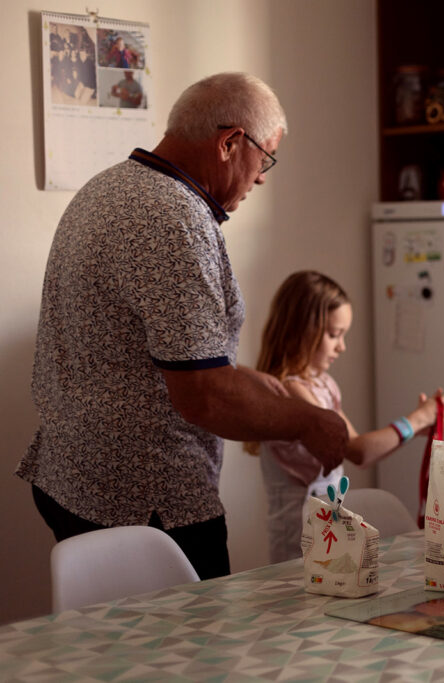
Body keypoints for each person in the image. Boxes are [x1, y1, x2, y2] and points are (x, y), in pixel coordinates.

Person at [17, 72, 350, 580]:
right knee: (197, 656)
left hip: (74, 477)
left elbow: (152, 352)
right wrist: (308, 422)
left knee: (112, 657)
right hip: (145, 502)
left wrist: (245, 380)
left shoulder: (107, 187)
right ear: (230, 142)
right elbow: (202, 396)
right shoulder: (174, 217)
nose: (262, 177)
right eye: (266, 158)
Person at [249, 270, 444, 562]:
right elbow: (357, 451)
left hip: (328, 529)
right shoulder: (291, 392)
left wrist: (413, 429)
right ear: (301, 330)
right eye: (334, 335)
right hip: (299, 540)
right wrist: (414, 420)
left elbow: (361, 447)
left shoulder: (323, 385)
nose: (342, 346)